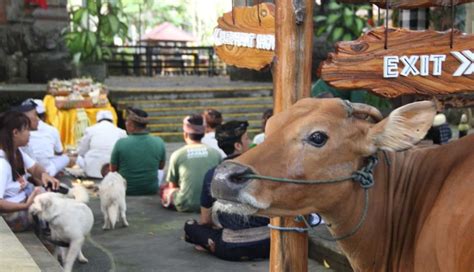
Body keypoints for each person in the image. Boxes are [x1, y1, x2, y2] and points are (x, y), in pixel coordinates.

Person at [184, 120, 270, 261]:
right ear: (238, 145)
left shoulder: (213, 174)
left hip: (231, 248)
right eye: (246, 139)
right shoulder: (263, 170)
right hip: (268, 245)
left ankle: (206, 244)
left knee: (190, 226)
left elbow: (205, 221)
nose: (249, 142)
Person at [0, 110, 60, 232]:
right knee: (54, 209)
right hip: (12, 216)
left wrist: (43, 175)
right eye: (26, 129)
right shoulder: (2, 164)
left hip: (23, 201)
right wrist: (25, 206)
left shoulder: (16, 151)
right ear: (15, 133)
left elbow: (34, 168)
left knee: (55, 195)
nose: (30, 134)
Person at [160, 114, 221, 212]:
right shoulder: (216, 153)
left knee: (165, 189)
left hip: (186, 204)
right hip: (211, 204)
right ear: (204, 133)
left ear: (185, 134)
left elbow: (173, 186)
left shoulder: (177, 154)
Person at [110, 107, 166, 195]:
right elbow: (161, 167)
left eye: (127, 121)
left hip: (125, 189)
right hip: (151, 189)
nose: (126, 123)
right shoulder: (159, 142)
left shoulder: (121, 143)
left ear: (131, 125)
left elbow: (113, 170)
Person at [19, 99, 69, 177]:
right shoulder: (51, 130)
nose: (37, 119)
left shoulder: (22, 137)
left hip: (37, 172)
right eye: (34, 115)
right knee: (65, 158)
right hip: (39, 172)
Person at [77, 110, 126, 178]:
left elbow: (81, 151)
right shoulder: (121, 132)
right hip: (113, 171)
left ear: (97, 120)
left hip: (91, 171)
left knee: (79, 158)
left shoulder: (90, 130)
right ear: (112, 120)